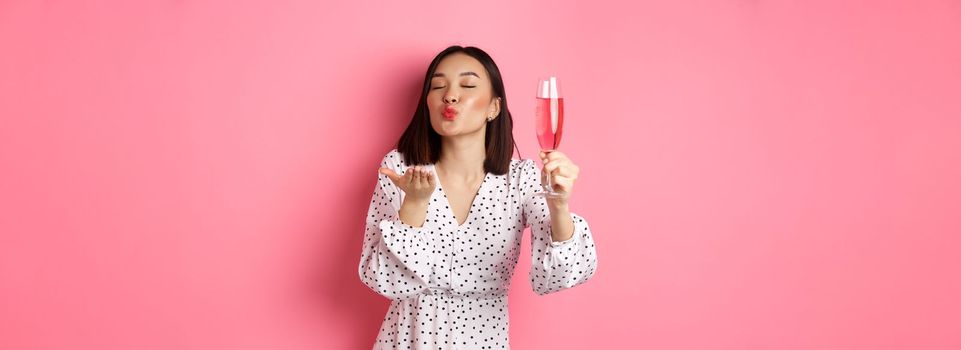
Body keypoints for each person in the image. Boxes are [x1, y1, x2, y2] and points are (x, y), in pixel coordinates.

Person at [357, 45, 598, 349]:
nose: (450, 95)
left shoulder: (522, 178)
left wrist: (560, 206)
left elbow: (560, 276)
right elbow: (384, 280)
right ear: (427, 103)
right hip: (408, 339)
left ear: (493, 108)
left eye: (468, 85)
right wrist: (415, 204)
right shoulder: (400, 169)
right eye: (438, 86)